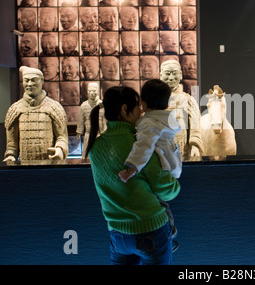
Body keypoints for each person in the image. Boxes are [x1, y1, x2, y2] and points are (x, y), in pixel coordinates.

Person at [85, 86, 181, 265]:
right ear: (124, 109)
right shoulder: (138, 145)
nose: (141, 111)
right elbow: (168, 191)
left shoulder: (95, 147)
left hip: (117, 234)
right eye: (137, 106)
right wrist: (174, 181)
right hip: (151, 230)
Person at [3, 66, 68, 161]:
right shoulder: (15, 109)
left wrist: (60, 150)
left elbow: (62, 137)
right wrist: (10, 156)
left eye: (33, 80)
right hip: (24, 167)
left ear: (42, 81)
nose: (29, 84)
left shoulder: (54, 107)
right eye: (26, 80)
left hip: (49, 166)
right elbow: (11, 145)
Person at [160, 60, 204, 157]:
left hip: (182, 151)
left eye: (175, 73)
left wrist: (195, 145)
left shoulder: (188, 100)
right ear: (160, 76)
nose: (171, 78)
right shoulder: (154, 100)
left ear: (180, 75)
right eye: (167, 74)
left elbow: (195, 126)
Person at [76, 82, 106, 159]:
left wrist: (105, 132)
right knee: (86, 154)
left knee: (100, 154)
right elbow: (81, 120)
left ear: (98, 91)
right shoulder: (84, 105)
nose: (92, 93)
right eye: (90, 91)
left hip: (100, 135)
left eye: (94, 91)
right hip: (88, 134)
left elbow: (105, 120)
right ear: (87, 92)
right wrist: (79, 131)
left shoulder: (102, 105)